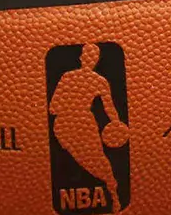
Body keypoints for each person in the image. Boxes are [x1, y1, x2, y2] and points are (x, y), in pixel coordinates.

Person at [51, 44, 126, 193]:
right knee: (93, 158)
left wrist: (116, 123)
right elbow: (109, 108)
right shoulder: (99, 81)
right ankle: (111, 186)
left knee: (91, 158)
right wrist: (116, 122)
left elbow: (53, 108)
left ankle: (110, 186)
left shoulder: (69, 77)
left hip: (69, 122)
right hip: (78, 121)